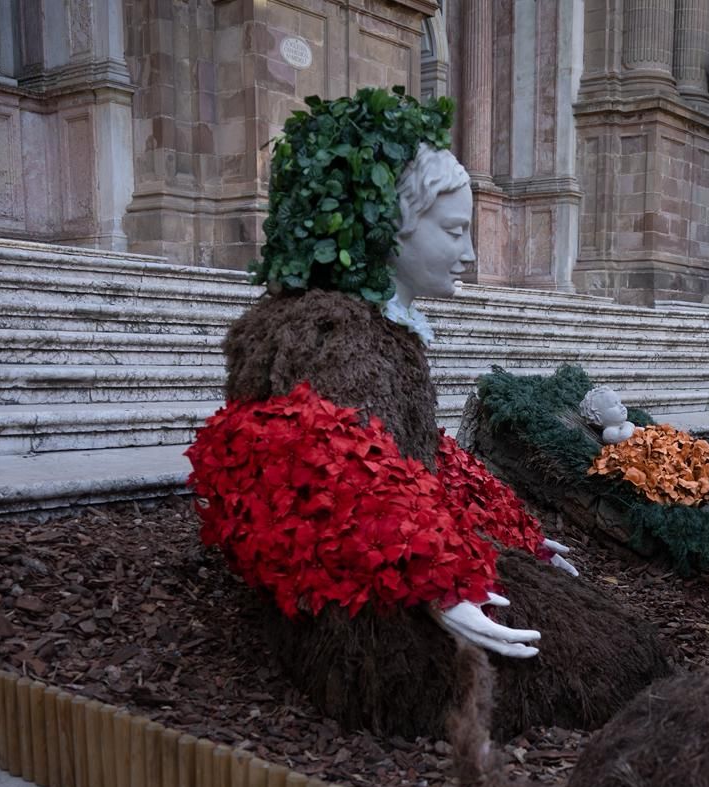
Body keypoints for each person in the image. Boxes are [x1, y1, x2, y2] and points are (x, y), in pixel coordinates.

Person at [185, 89, 668, 738]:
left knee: (609, 637)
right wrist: (437, 578)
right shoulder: (332, 336)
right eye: (453, 230)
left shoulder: (384, 332)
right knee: (598, 661)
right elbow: (319, 467)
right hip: (365, 604)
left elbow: (413, 459)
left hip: (411, 556)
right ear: (387, 225)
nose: (469, 253)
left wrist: (506, 531)